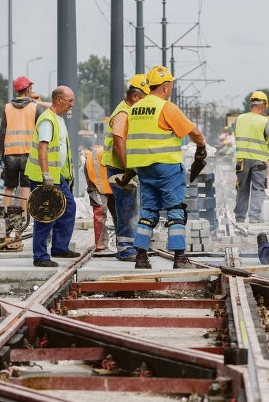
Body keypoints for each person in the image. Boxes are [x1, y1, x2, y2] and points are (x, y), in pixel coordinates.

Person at [126, 65, 207, 270]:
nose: (171, 88)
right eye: (171, 84)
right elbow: (195, 132)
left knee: (148, 211)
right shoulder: (166, 107)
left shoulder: (135, 109)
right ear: (164, 86)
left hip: (144, 169)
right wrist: (201, 148)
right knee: (175, 210)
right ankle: (179, 258)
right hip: (167, 168)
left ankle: (141, 258)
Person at [24, 85, 79, 267]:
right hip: (44, 176)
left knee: (68, 207)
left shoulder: (57, 117)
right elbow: (43, 148)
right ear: (58, 100)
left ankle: (60, 247)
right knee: (45, 214)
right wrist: (45, 174)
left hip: (57, 175)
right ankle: (40, 256)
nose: (72, 105)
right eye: (70, 101)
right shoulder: (48, 120)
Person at [101, 74, 149, 262]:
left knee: (129, 208)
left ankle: (131, 246)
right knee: (127, 209)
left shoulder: (128, 112)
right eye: (145, 97)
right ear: (136, 97)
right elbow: (119, 143)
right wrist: (128, 169)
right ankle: (125, 249)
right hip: (120, 170)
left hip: (123, 169)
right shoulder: (123, 114)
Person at [0, 76, 44, 217]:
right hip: (28, 154)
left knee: (9, 187)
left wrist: (0, 154)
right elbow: (41, 132)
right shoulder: (36, 108)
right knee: (26, 187)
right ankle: (23, 218)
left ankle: (4, 217)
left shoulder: (7, 108)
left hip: (10, 153)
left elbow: (2, 133)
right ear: (28, 89)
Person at [233, 90, 269, 223]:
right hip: (259, 161)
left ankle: (239, 218)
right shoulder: (264, 121)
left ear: (252, 103)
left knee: (242, 189)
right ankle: (253, 218)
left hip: (242, 160)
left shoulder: (240, 119)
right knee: (258, 188)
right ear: (263, 105)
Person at [84, 145, 117, 252]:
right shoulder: (95, 158)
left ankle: (122, 243)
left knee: (119, 213)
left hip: (111, 180)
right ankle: (101, 245)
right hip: (96, 179)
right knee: (100, 212)